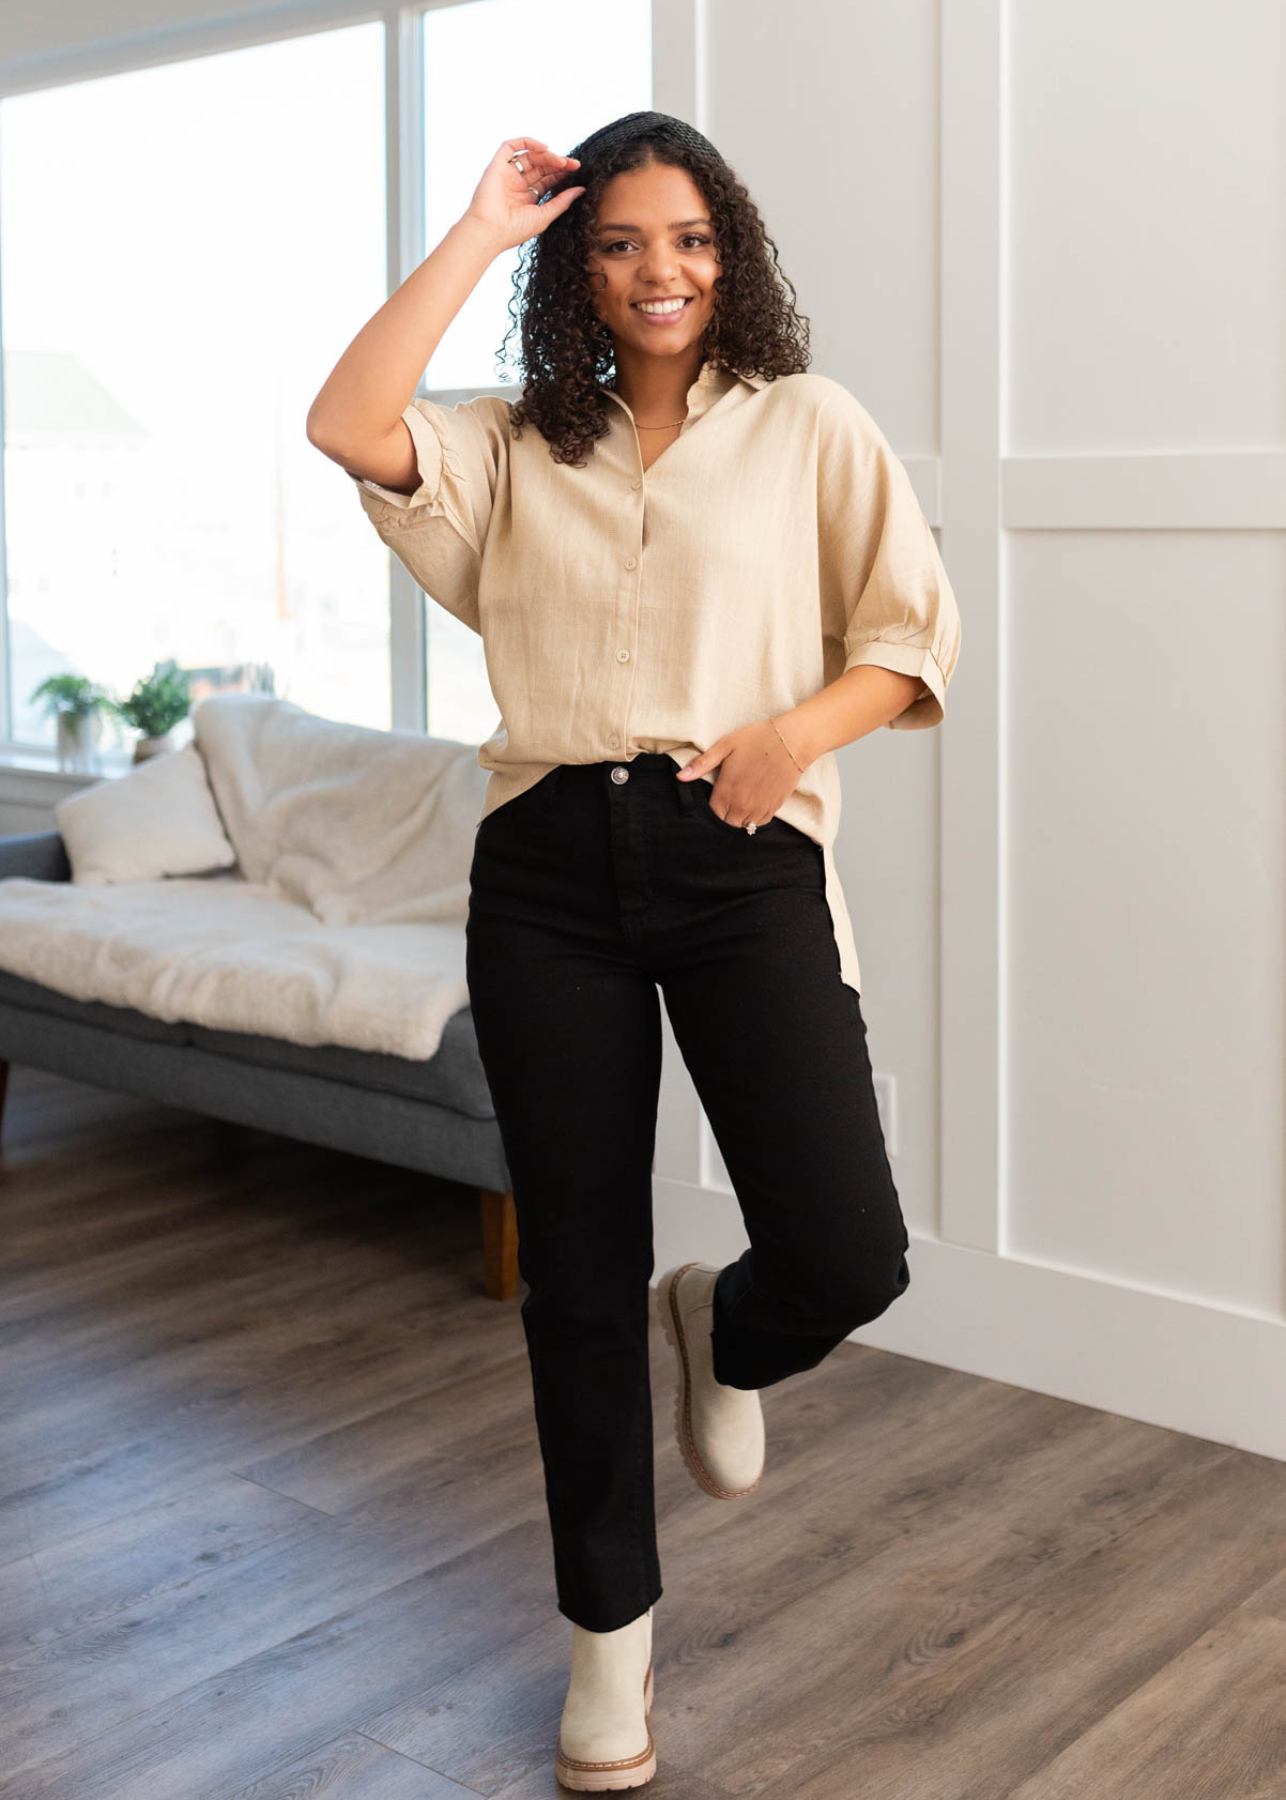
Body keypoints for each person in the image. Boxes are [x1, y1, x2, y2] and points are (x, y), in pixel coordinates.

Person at [307, 109, 961, 1793]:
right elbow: (344, 421)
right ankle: (610, 1656)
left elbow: (905, 635)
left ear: (725, 253)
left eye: (684, 238)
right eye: (616, 242)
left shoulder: (807, 425)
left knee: (848, 1248)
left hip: (741, 853)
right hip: (543, 872)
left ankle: (728, 1329)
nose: (656, 270)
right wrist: (480, 231)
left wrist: (785, 737)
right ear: (579, 270)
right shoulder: (518, 442)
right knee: (571, 1280)